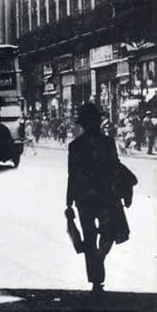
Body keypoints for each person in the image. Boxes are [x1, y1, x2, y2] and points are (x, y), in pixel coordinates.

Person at [66, 103, 131, 294]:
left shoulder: (77, 146)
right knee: (106, 232)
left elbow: (72, 175)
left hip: (88, 197)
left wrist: (69, 201)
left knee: (93, 236)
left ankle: (96, 266)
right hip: (101, 196)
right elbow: (114, 167)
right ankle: (97, 278)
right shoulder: (104, 143)